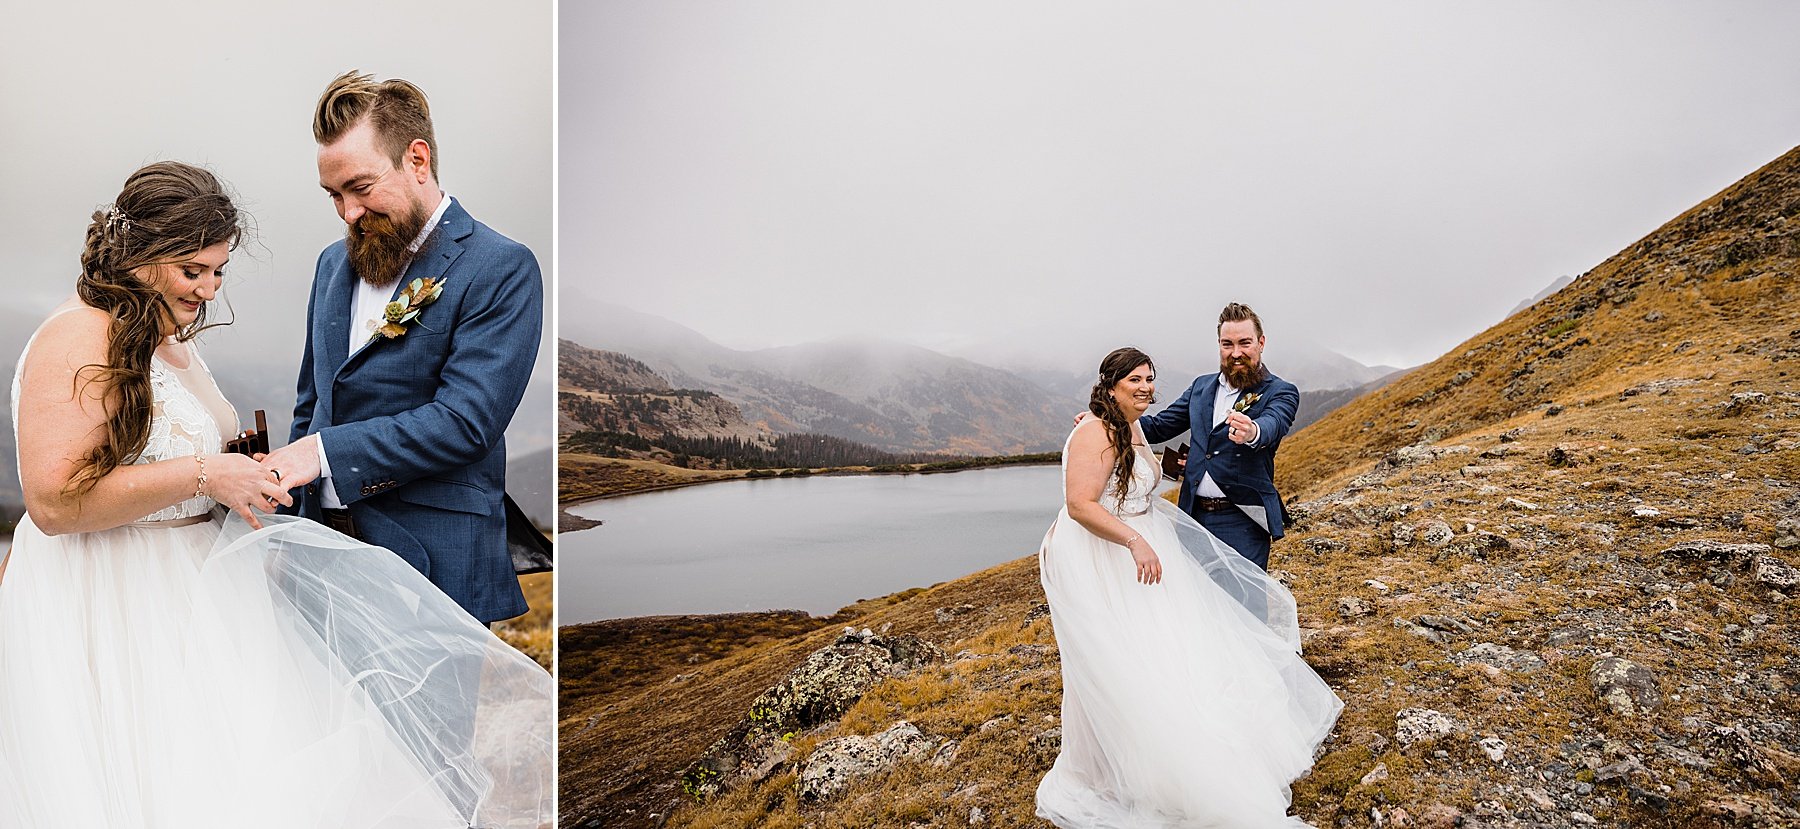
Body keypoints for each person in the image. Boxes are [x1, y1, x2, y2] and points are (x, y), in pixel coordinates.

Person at [0, 162, 551, 828]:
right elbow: (54, 501)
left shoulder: (163, 336)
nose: (208, 289)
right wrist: (205, 475)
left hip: (203, 596)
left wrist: (239, 480)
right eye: (192, 270)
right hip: (119, 603)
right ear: (143, 255)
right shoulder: (76, 335)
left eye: (218, 270)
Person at [259, 71, 543, 624]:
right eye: (334, 195)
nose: (348, 213)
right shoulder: (330, 265)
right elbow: (312, 401)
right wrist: (285, 524)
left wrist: (320, 455)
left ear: (417, 159)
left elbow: (466, 423)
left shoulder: (501, 267)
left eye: (360, 188)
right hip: (321, 557)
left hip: (432, 564)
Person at [1035, 347, 1341, 828]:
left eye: (1150, 378)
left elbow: (1271, 424)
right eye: (1134, 379)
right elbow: (1080, 504)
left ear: (1260, 344)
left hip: (1155, 547)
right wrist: (1135, 541)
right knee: (1124, 656)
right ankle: (1122, 761)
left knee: (1175, 646)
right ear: (1110, 383)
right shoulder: (1096, 431)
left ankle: (1187, 739)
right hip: (1108, 558)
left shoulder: (1131, 426)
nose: (1145, 387)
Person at [1140, 302, 1298, 570]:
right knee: (1199, 605)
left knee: (1244, 607)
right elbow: (1158, 427)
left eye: (1244, 343)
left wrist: (1252, 431)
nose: (1236, 353)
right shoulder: (1201, 386)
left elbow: (1273, 424)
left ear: (1261, 343)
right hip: (1193, 517)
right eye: (1227, 344)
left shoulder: (1281, 391)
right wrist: (1106, 421)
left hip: (1243, 520)